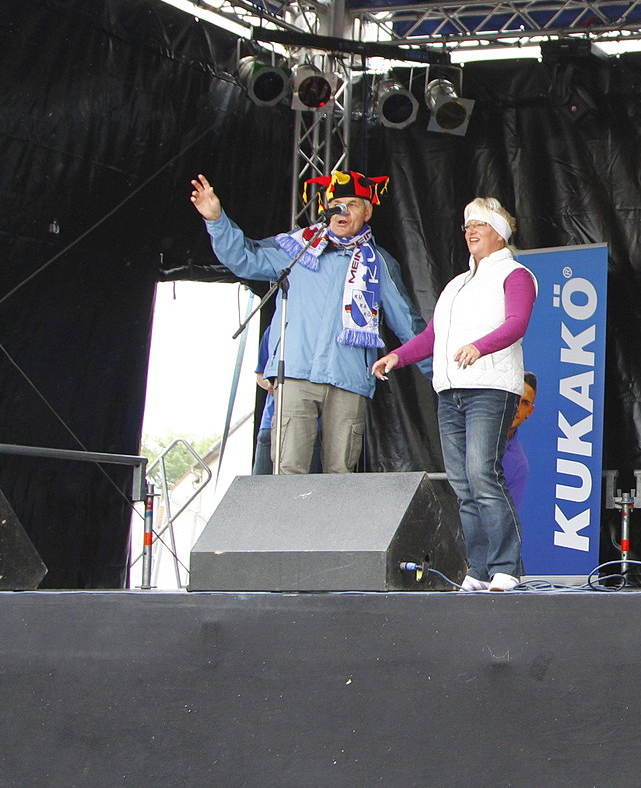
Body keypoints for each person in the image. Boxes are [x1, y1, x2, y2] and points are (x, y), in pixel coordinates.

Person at [191, 170, 423, 474]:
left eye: (352, 205)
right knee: (289, 471)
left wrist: (444, 375)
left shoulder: (378, 262)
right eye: (336, 205)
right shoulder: (296, 248)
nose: (342, 211)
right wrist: (216, 220)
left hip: (348, 379)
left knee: (340, 475)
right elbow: (244, 258)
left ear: (367, 212)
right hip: (295, 374)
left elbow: (408, 325)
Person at [373, 198, 536, 593]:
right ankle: (477, 569)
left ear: (500, 233)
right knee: (463, 484)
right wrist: (398, 356)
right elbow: (432, 336)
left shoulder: (515, 274)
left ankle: (507, 567)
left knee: (483, 474)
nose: (470, 231)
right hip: (451, 392)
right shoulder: (456, 285)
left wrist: (480, 346)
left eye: (480, 224)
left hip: (490, 389)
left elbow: (517, 323)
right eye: (467, 226)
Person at [502, 371, 537, 512]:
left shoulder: (518, 465)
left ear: (530, 411)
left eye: (524, 403)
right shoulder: (464, 425)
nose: (517, 407)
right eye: (514, 398)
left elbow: (505, 517)